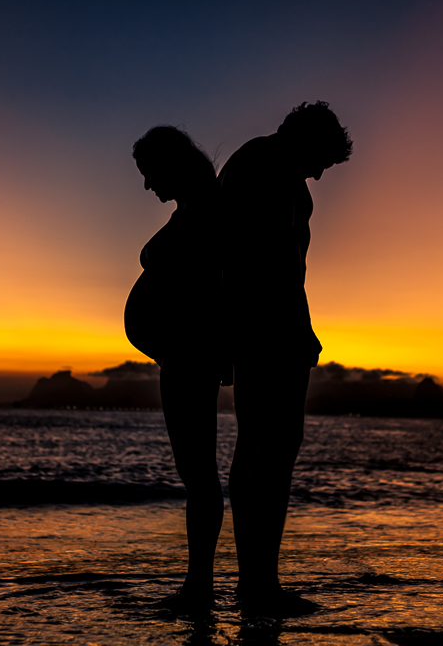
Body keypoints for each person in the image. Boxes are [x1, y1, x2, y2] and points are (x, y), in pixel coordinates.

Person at [218, 101, 352, 616]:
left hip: (256, 327)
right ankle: (260, 586)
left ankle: (254, 581)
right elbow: (269, 264)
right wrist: (295, 334)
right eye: (321, 159)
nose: (320, 172)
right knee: (274, 451)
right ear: (306, 140)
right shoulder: (274, 170)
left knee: (255, 448)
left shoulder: (251, 163)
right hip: (271, 328)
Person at [124, 125, 229, 612]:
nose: (147, 186)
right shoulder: (191, 208)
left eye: (149, 174)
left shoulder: (208, 208)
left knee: (199, 475)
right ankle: (198, 584)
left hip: (191, 353)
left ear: (172, 165)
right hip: (181, 353)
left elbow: (219, 285)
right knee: (197, 474)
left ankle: (199, 587)